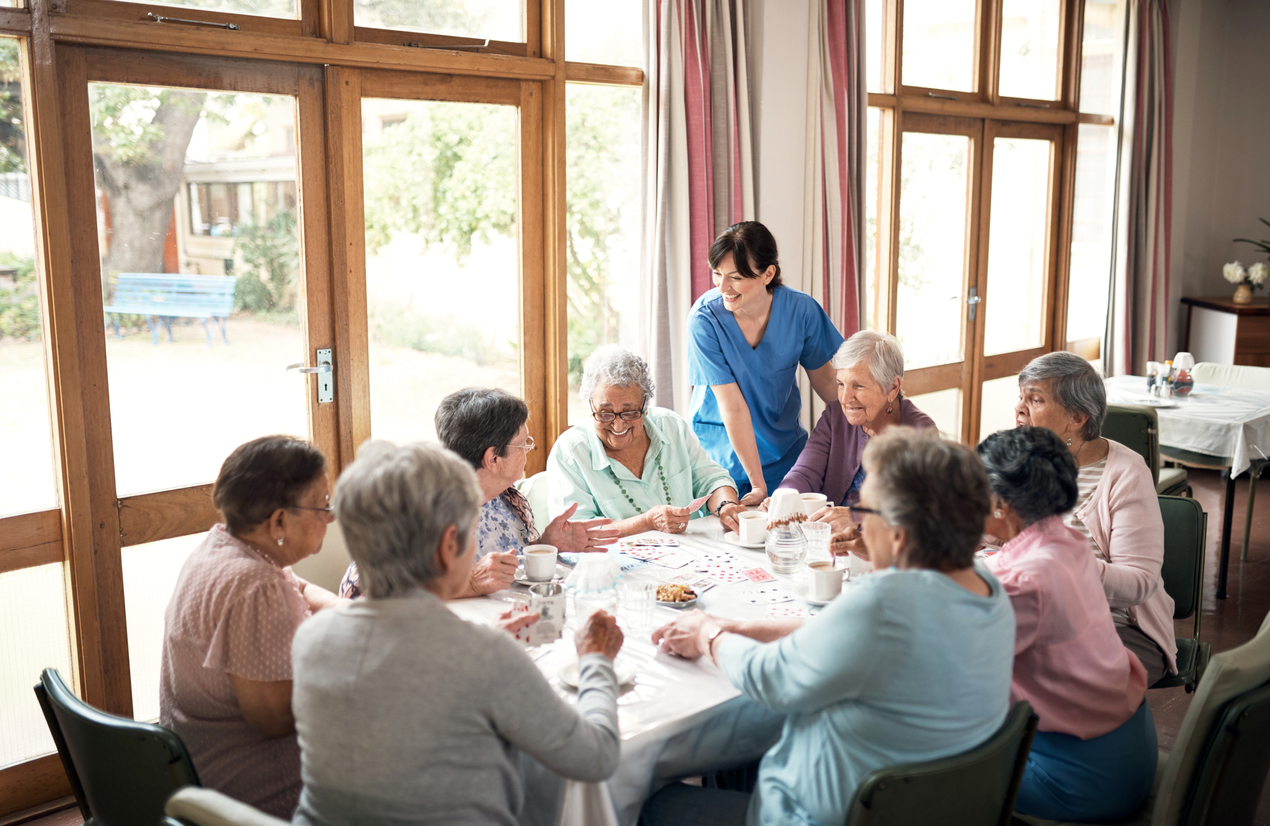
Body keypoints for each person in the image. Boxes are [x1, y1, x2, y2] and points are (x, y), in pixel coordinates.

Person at [645, 428, 1015, 826]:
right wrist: (741, 626)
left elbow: (772, 678)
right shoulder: (987, 587)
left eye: (863, 512)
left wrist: (708, 635)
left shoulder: (884, 602)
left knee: (650, 802)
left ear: (898, 534)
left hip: (817, 814)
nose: (857, 525)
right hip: (936, 806)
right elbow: (843, 634)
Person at [292, 441, 624, 825]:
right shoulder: (484, 657)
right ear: (450, 545)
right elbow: (597, 758)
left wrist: (479, 643)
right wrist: (597, 659)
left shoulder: (311, 640)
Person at [977, 426, 1156, 822]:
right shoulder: (1065, 540)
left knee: (919, 749)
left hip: (1080, 781)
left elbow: (954, 661)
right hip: (1129, 750)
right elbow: (999, 569)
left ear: (1001, 505)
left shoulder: (1024, 583)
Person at [160, 436, 341, 818]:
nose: (331, 515)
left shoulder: (222, 547)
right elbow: (274, 720)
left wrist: (346, 613)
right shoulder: (259, 587)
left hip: (195, 762)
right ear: (278, 520)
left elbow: (300, 586)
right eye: (323, 504)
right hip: (249, 789)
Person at [339, 387, 619, 598]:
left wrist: (547, 545)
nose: (529, 450)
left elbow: (516, 570)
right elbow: (362, 595)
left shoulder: (511, 500)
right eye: (523, 444)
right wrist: (468, 583)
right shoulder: (419, 507)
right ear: (493, 459)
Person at [1014, 351, 1176, 685]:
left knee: (1032, 673)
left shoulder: (1126, 473)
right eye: (1021, 398)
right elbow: (986, 533)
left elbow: (1140, 582)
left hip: (1116, 625)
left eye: (1035, 399)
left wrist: (1065, 567)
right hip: (1033, 614)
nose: (1020, 410)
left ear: (1077, 418)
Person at [687, 221, 844, 503]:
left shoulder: (801, 311)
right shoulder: (704, 320)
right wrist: (758, 486)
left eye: (735, 277)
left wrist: (871, 415)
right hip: (720, 456)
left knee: (791, 537)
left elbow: (828, 381)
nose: (723, 287)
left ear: (768, 273)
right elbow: (732, 407)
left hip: (785, 453)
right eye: (717, 274)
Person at [548, 346, 744, 537]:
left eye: (630, 412)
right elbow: (575, 534)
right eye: (605, 413)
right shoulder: (570, 452)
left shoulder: (671, 425)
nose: (617, 426)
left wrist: (726, 505)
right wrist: (647, 522)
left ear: (646, 405)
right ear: (590, 405)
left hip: (692, 554)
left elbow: (712, 479)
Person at [773, 330, 935, 558]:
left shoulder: (920, 433)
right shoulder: (835, 415)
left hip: (881, 553)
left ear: (893, 388)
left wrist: (857, 516)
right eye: (841, 384)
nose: (845, 398)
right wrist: (784, 498)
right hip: (826, 544)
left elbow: (918, 511)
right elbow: (806, 471)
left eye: (858, 386)